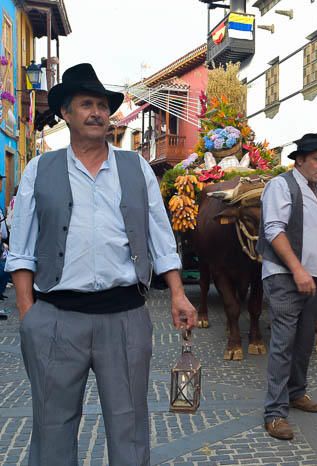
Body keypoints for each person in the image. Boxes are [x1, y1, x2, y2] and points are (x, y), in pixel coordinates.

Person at [5, 63, 197, 466]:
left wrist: (178, 292)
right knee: (52, 427)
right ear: (66, 114)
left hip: (124, 316)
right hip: (57, 317)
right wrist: (29, 316)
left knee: (129, 428)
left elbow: (162, 235)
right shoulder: (40, 170)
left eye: (102, 106)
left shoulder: (135, 167)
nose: (96, 112)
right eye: (86, 104)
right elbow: (20, 248)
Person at [257, 133, 317, 441]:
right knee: (283, 343)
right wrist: (298, 269)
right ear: (299, 160)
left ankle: (296, 392)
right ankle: (274, 413)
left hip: (311, 278)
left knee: (304, 341)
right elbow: (274, 229)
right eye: (316, 159)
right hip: (285, 276)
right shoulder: (281, 185)